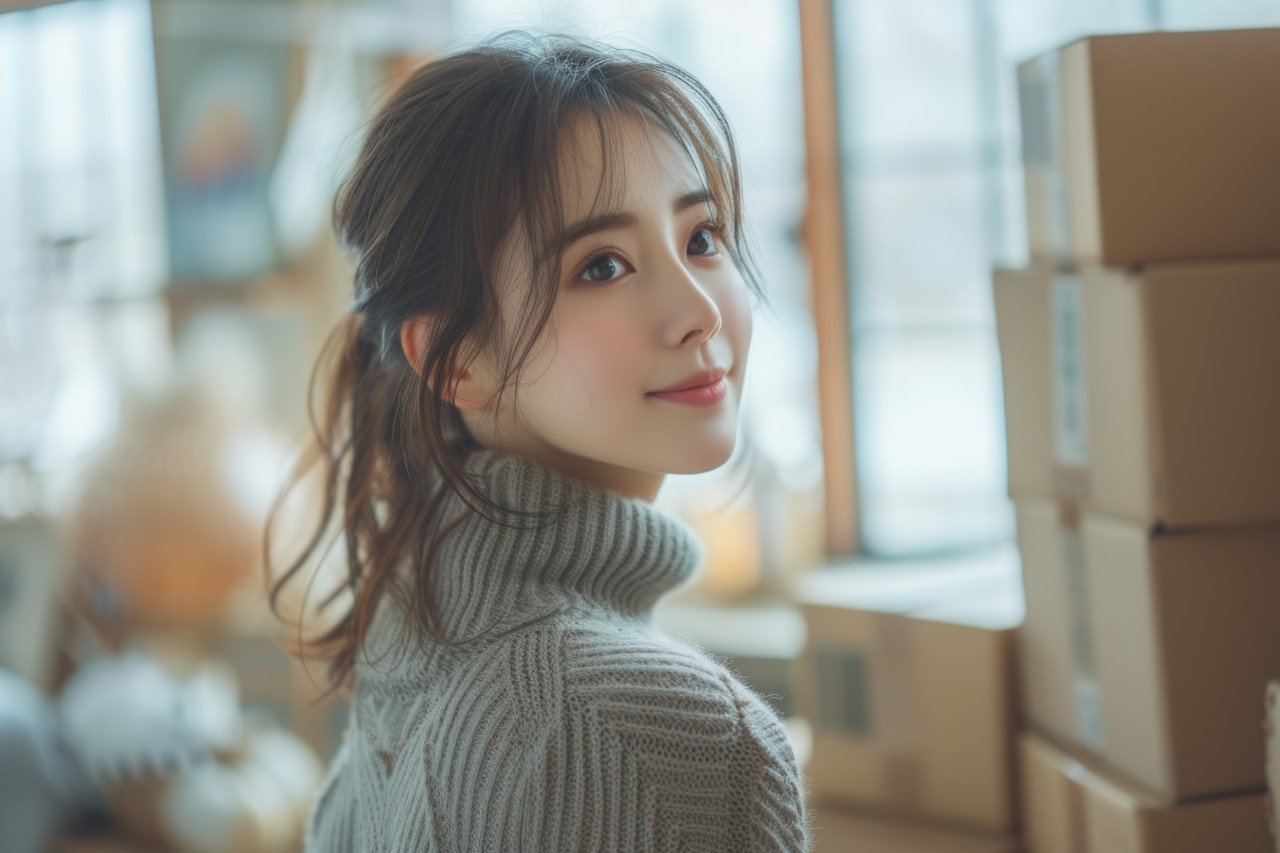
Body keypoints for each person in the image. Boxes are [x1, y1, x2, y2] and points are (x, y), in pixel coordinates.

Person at [266, 27, 813, 852]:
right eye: (602, 265)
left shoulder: (413, 630)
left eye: (700, 238)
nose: (699, 309)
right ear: (455, 362)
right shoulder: (661, 734)